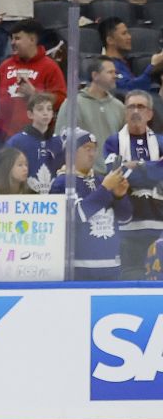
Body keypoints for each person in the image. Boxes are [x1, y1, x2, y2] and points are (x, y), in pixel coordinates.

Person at [101, 91, 163, 277]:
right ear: (125, 112)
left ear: (150, 114)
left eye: (141, 107)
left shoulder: (160, 141)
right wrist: (153, 168)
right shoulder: (114, 142)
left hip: (159, 225)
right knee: (130, 277)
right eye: (131, 106)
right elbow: (117, 175)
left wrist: (137, 165)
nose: (136, 111)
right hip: (128, 229)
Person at [53, 134, 129, 279]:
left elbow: (125, 219)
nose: (92, 153)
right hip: (80, 269)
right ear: (71, 153)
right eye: (87, 148)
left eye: (94, 149)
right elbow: (76, 215)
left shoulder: (102, 180)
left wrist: (120, 196)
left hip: (112, 266)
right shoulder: (62, 182)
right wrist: (106, 189)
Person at [0, 20, 65, 138]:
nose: (12, 43)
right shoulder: (5, 66)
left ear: (32, 40)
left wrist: (35, 94)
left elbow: (62, 100)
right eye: (12, 39)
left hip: (38, 139)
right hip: (6, 140)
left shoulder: (50, 67)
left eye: (17, 38)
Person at [5, 91, 66, 191]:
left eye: (49, 109)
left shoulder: (60, 142)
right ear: (30, 114)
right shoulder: (16, 142)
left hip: (55, 199)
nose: (45, 112)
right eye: (40, 109)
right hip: (26, 198)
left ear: (52, 114)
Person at [59, 56, 128, 144]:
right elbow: (62, 139)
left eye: (115, 72)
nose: (115, 76)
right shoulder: (73, 104)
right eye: (110, 72)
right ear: (95, 75)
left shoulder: (119, 106)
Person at [100, 15, 163, 94]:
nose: (129, 37)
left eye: (128, 33)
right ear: (110, 40)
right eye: (124, 34)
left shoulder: (124, 62)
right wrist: (153, 65)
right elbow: (128, 89)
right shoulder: (106, 66)